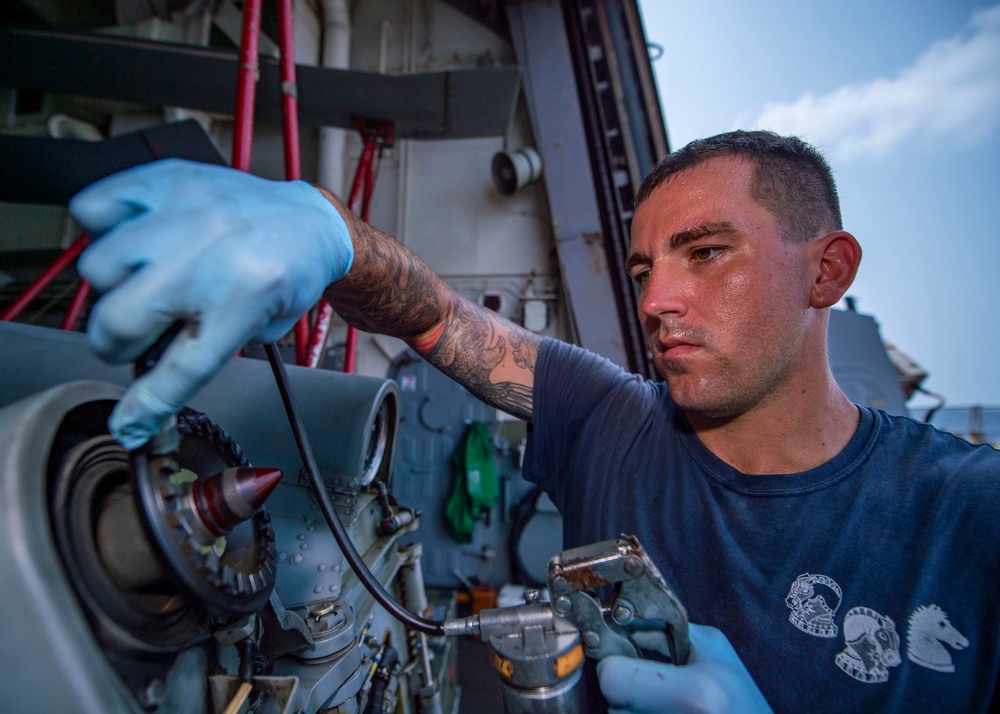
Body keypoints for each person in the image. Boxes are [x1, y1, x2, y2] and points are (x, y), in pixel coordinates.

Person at [69, 130, 999, 713]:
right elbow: (435, 314)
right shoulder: (613, 422)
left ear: (827, 272)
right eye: (641, 273)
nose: (658, 301)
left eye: (706, 253)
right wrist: (332, 236)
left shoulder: (969, 518)